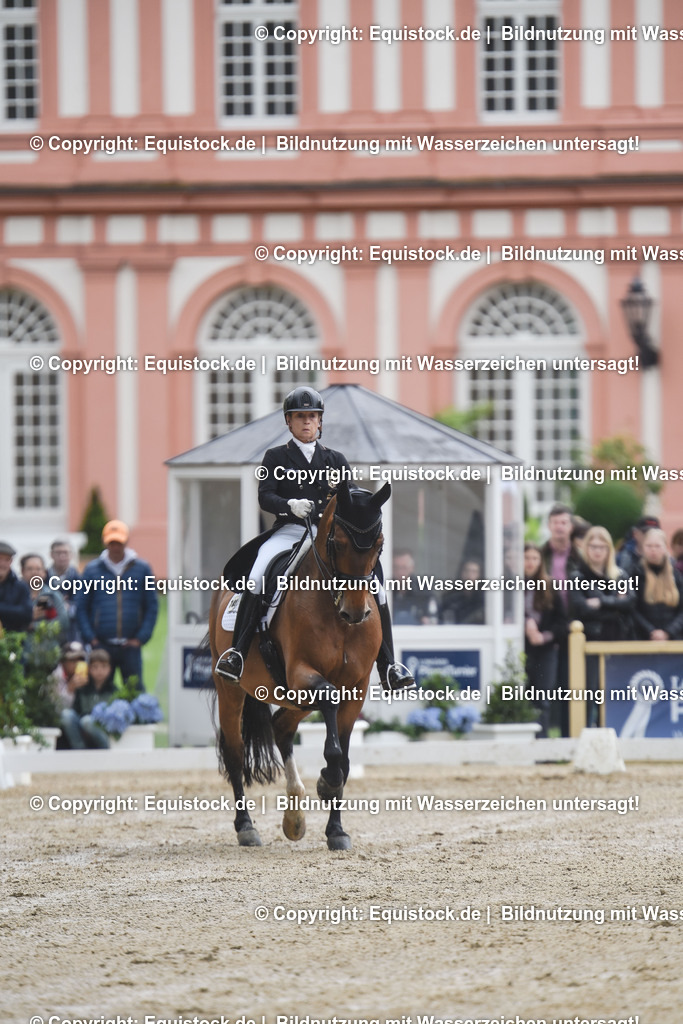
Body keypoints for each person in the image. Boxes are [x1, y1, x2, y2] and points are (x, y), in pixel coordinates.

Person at [215, 386, 413, 691]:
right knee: (257, 574)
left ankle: (389, 665)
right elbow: (265, 497)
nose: (307, 422)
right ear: (289, 421)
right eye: (300, 417)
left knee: (377, 584)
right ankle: (237, 653)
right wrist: (289, 506)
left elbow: (349, 498)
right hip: (290, 531)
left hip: (330, 537)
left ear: (320, 422)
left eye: (312, 416)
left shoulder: (335, 459)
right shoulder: (276, 457)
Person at [76, 520, 158, 689]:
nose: (115, 547)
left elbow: (152, 606)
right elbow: (81, 607)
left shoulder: (142, 569)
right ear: (105, 542)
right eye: (111, 542)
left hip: (131, 645)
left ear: (126, 542)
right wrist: (91, 639)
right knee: (100, 693)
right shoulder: (92, 570)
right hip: (101, 645)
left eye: (118, 542)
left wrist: (141, 638)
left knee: (134, 692)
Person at [569, 526, 635, 726]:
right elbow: (581, 608)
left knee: (615, 693)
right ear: (586, 548)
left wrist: (601, 602)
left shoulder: (620, 576)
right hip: (590, 642)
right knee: (590, 694)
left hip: (617, 641)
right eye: (593, 546)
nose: (597, 551)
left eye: (602, 547)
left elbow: (630, 603)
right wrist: (615, 603)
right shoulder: (577, 577)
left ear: (609, 550)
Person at [540, 504, 583, 737]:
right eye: (555, 522)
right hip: (546, 630)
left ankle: (570, 740)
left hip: (575, 628)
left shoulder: (579, 557)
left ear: (571, 527)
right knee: (543, 691)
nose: (559, 527)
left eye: (564, 523)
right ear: (549, 526)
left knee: (572, 687)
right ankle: (543, 745)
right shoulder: (539, 555)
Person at [523, 543, 566, 738]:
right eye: (526, 558)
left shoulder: (550, 586)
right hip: (522, 649)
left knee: (542, 700)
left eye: (534, 558)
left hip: (545, 651)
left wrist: (544, 636)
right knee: (522, 697)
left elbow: (562, 622)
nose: (530, 563)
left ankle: (542, 745)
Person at [633, 528, 683, 640]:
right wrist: (651, 631)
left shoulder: (676, 576)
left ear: (665, 548)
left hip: (674, 641)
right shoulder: (635, 574)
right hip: (643, 640)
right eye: (649, 546)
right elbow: (632, 609)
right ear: (643, 548)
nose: (653, 550)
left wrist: (668, 632)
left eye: (657, 546)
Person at [59, 648, 115, 749]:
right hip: (82, 728)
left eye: (103, 667)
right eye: (95, 667)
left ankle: (106, 748)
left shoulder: (113, 690)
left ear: (110, 669)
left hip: (102, 731)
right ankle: (79, 749)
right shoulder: (82, 688)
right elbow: (74, 710)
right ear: (89, 669)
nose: (99, 671)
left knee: (87, 721)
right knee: (67, 715)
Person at [20, 552, 69, 642]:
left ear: (44, 572)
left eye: (38, 569)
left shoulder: (52, 595)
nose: (34, 572)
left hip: (48, 648)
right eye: (30, 569)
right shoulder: (15, 594)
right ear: (22, 571)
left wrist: (34, 626)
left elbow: (64, 622)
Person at [47, 539, 82, 641]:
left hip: (72, 632)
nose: (62, 557)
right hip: (48, 631)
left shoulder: (79, 579)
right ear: (51, 555)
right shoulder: (43, 578)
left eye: (65, 553)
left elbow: (81, 605)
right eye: (58, 553)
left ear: (71, 555)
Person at [0, 540, 32, 632]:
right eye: (0, 558)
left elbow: (26, 615)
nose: (2, 564)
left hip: (13, 642)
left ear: (11, 561)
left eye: (6, 560)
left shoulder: (20, 587)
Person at [391, 549, 430, 625]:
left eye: (404, 568)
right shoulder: (385, 591)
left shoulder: (423, 591)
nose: (400, 572)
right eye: (396, 568)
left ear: (412, 568)